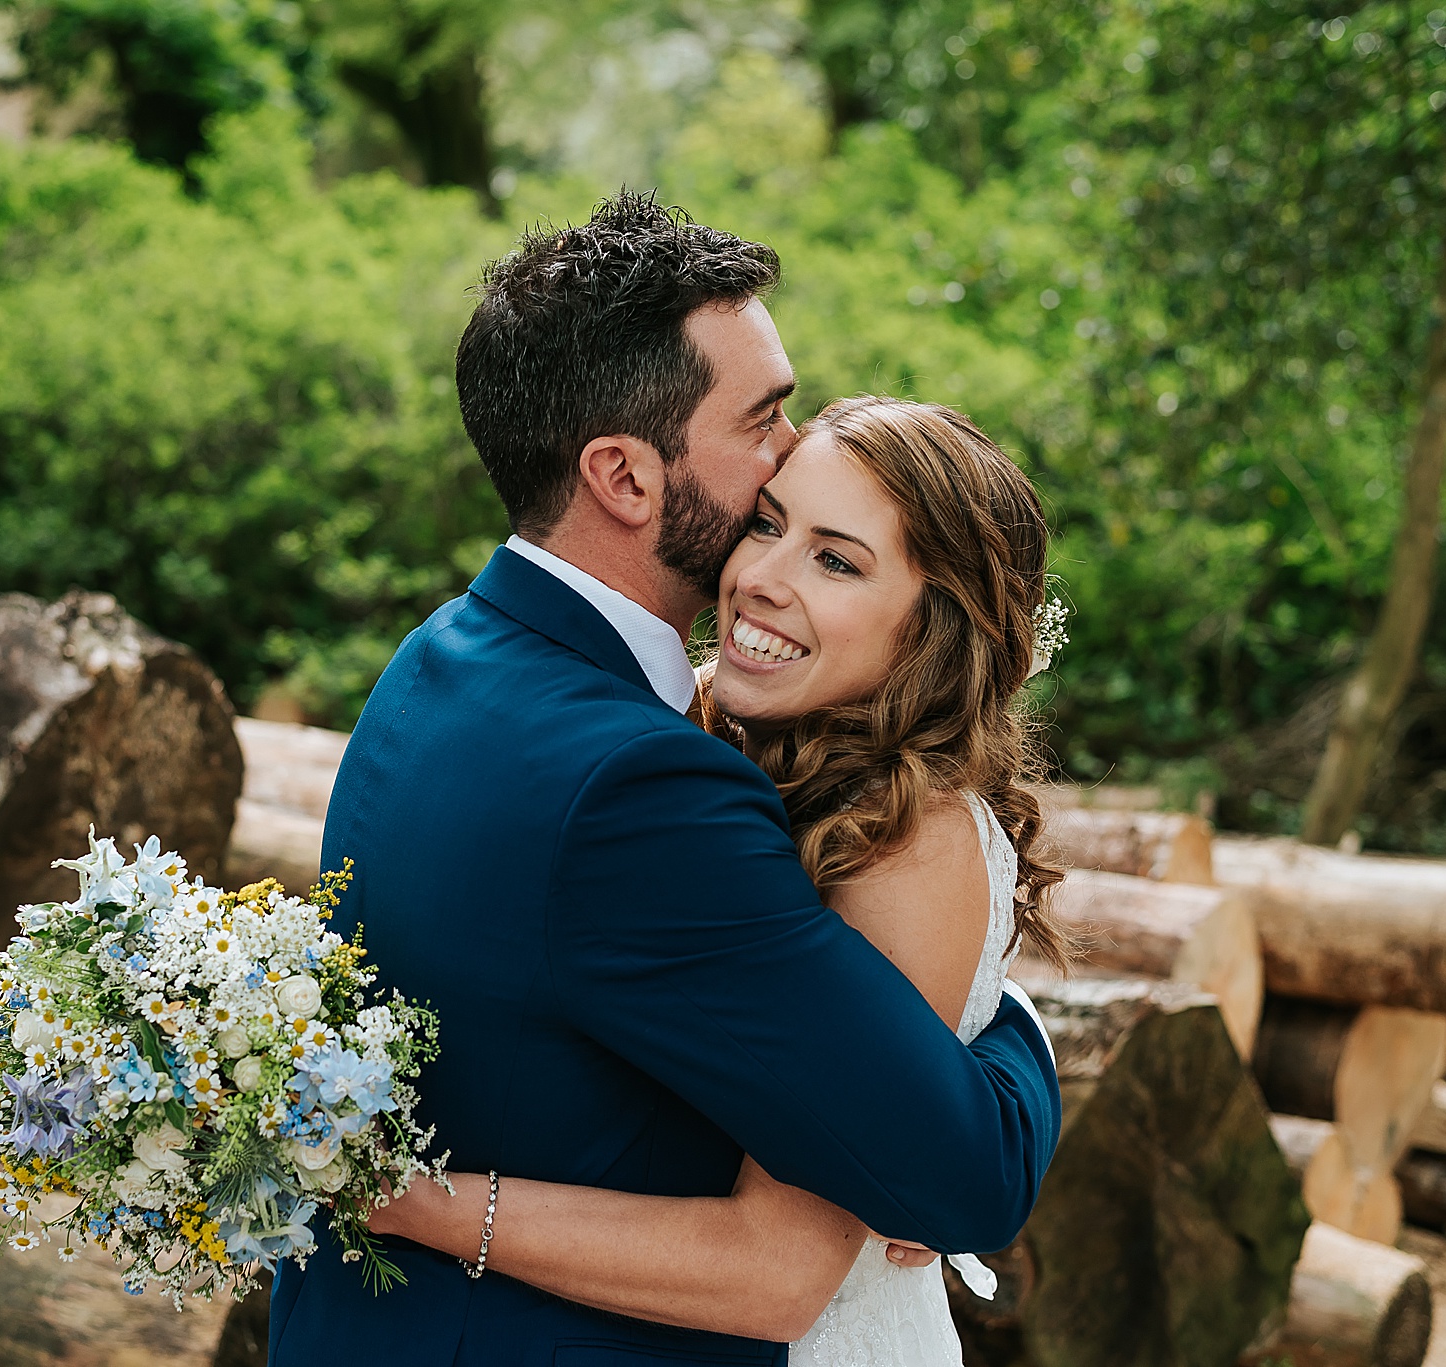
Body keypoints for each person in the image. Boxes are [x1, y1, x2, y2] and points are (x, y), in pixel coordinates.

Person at [265, 192, 1062, 1367]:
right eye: (763, 421)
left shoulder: (446, 652)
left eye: (835, 553)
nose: (790, 448)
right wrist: (1010, 1036)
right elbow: (963, 1177)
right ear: (624, 476)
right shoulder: (640, 782)